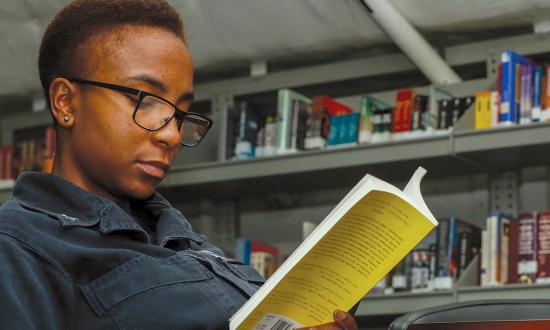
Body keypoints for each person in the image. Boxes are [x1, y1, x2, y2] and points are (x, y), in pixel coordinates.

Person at [0, 0, 359, 329]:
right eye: (145, 100)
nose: (171, 135)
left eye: (180, 112)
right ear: (65, 102)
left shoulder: (199, 248)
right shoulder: (16, 245)